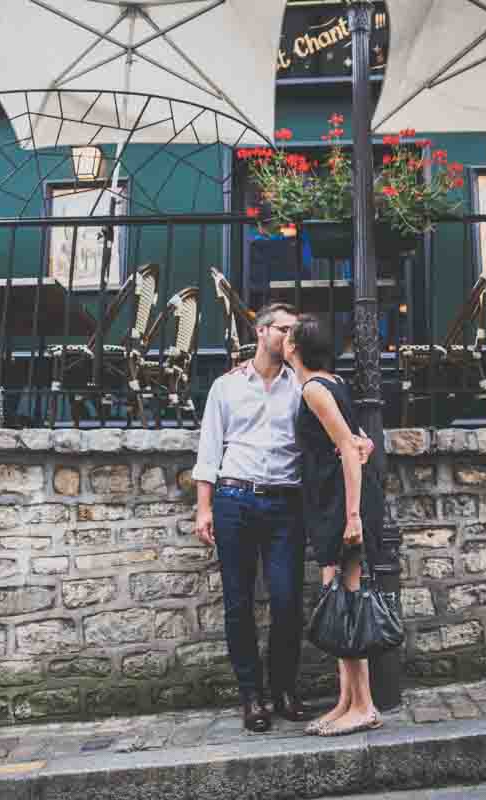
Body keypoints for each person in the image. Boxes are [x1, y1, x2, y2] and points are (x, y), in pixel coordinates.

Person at [193, 302, 372, 733]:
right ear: (262, 332)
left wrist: (361, 444)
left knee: (287, 601)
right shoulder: (226, 386)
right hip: (234, 499)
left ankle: (284, 690)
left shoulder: (304, 384)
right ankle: (251, 697)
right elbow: (209, 450)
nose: (292, 337)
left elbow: (345, 434)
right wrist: (204, 507)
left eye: (295, 330)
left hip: (285, 503)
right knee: (238, 603)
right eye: (285, 329)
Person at [284, 314, 385, 736]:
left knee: (348, 603)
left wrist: (353, 516)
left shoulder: (314, 389)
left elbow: (346, 447)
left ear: (294, 347)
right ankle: (346, 700)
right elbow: (358, 438)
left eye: (288, 335)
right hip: (329, 501)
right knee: (340, 602)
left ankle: (365, 705)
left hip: (341, 503)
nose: (283, 338)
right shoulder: (331, 382)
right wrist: (362, 443)